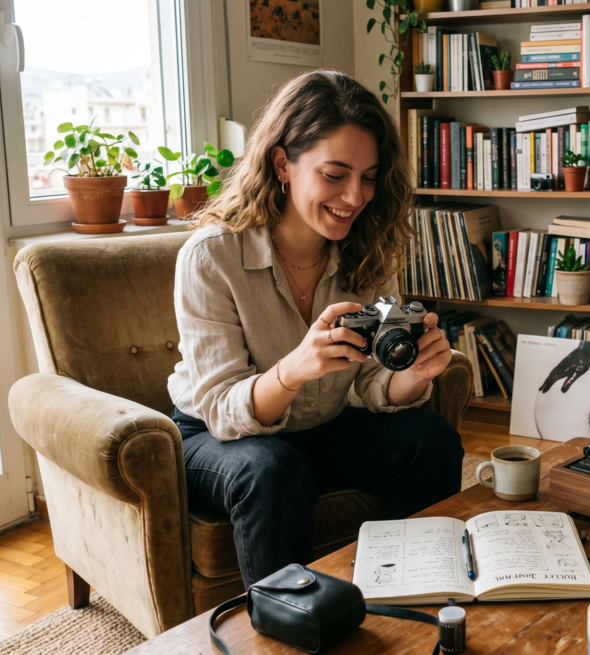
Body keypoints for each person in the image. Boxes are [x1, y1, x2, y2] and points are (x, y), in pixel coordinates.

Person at [168, 70, 464, 588]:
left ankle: (403, 595)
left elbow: (371, 383)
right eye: (335, 174)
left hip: (317, 427)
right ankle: (290, 626)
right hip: (218, 437)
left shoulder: (367, 251)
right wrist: (293, 370)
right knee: (271, 468)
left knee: (430, 439)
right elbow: (219, 406)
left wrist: (415, 373)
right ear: (283, 163)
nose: (355, 196)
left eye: (369, 176)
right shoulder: (212, 256)